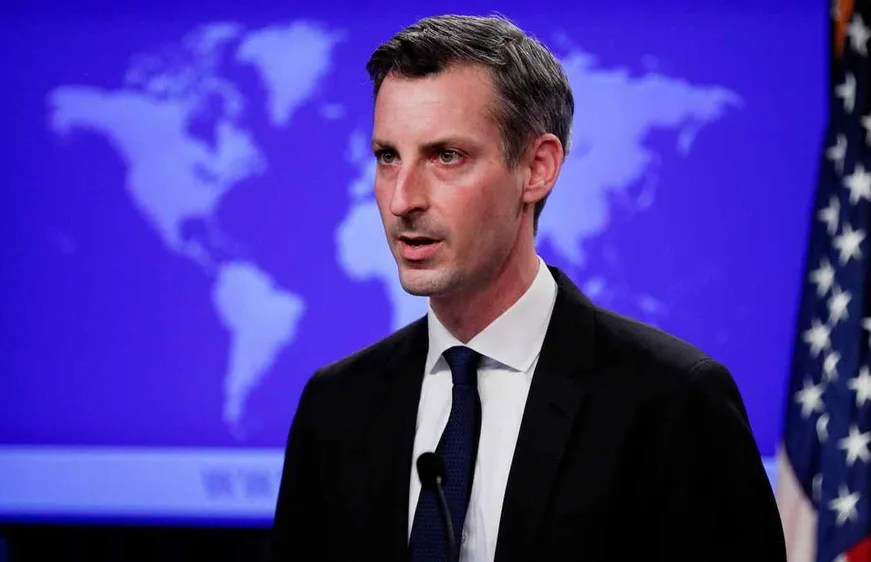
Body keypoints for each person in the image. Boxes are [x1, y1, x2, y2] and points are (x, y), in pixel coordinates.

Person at [271, 13, 786, 562]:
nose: (402, 200)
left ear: (538, 168)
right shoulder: (336, 406)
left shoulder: (674, 404)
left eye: (446, 156)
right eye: (388, 157)